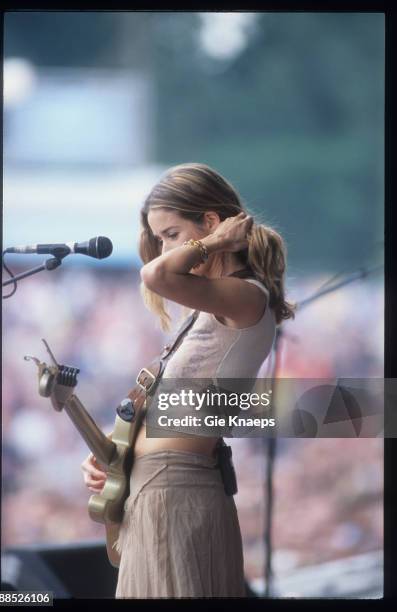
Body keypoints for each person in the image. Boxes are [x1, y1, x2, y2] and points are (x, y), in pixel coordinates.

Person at [81, 163, 296, 598]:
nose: (164, 250)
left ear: (212, 224)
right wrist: (117, 453)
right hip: (160, 486)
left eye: (172, 235)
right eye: (160, 239)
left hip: (175, 490)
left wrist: (214, 244)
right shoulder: (213, 306)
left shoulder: (245, 296)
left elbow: (155, 276)